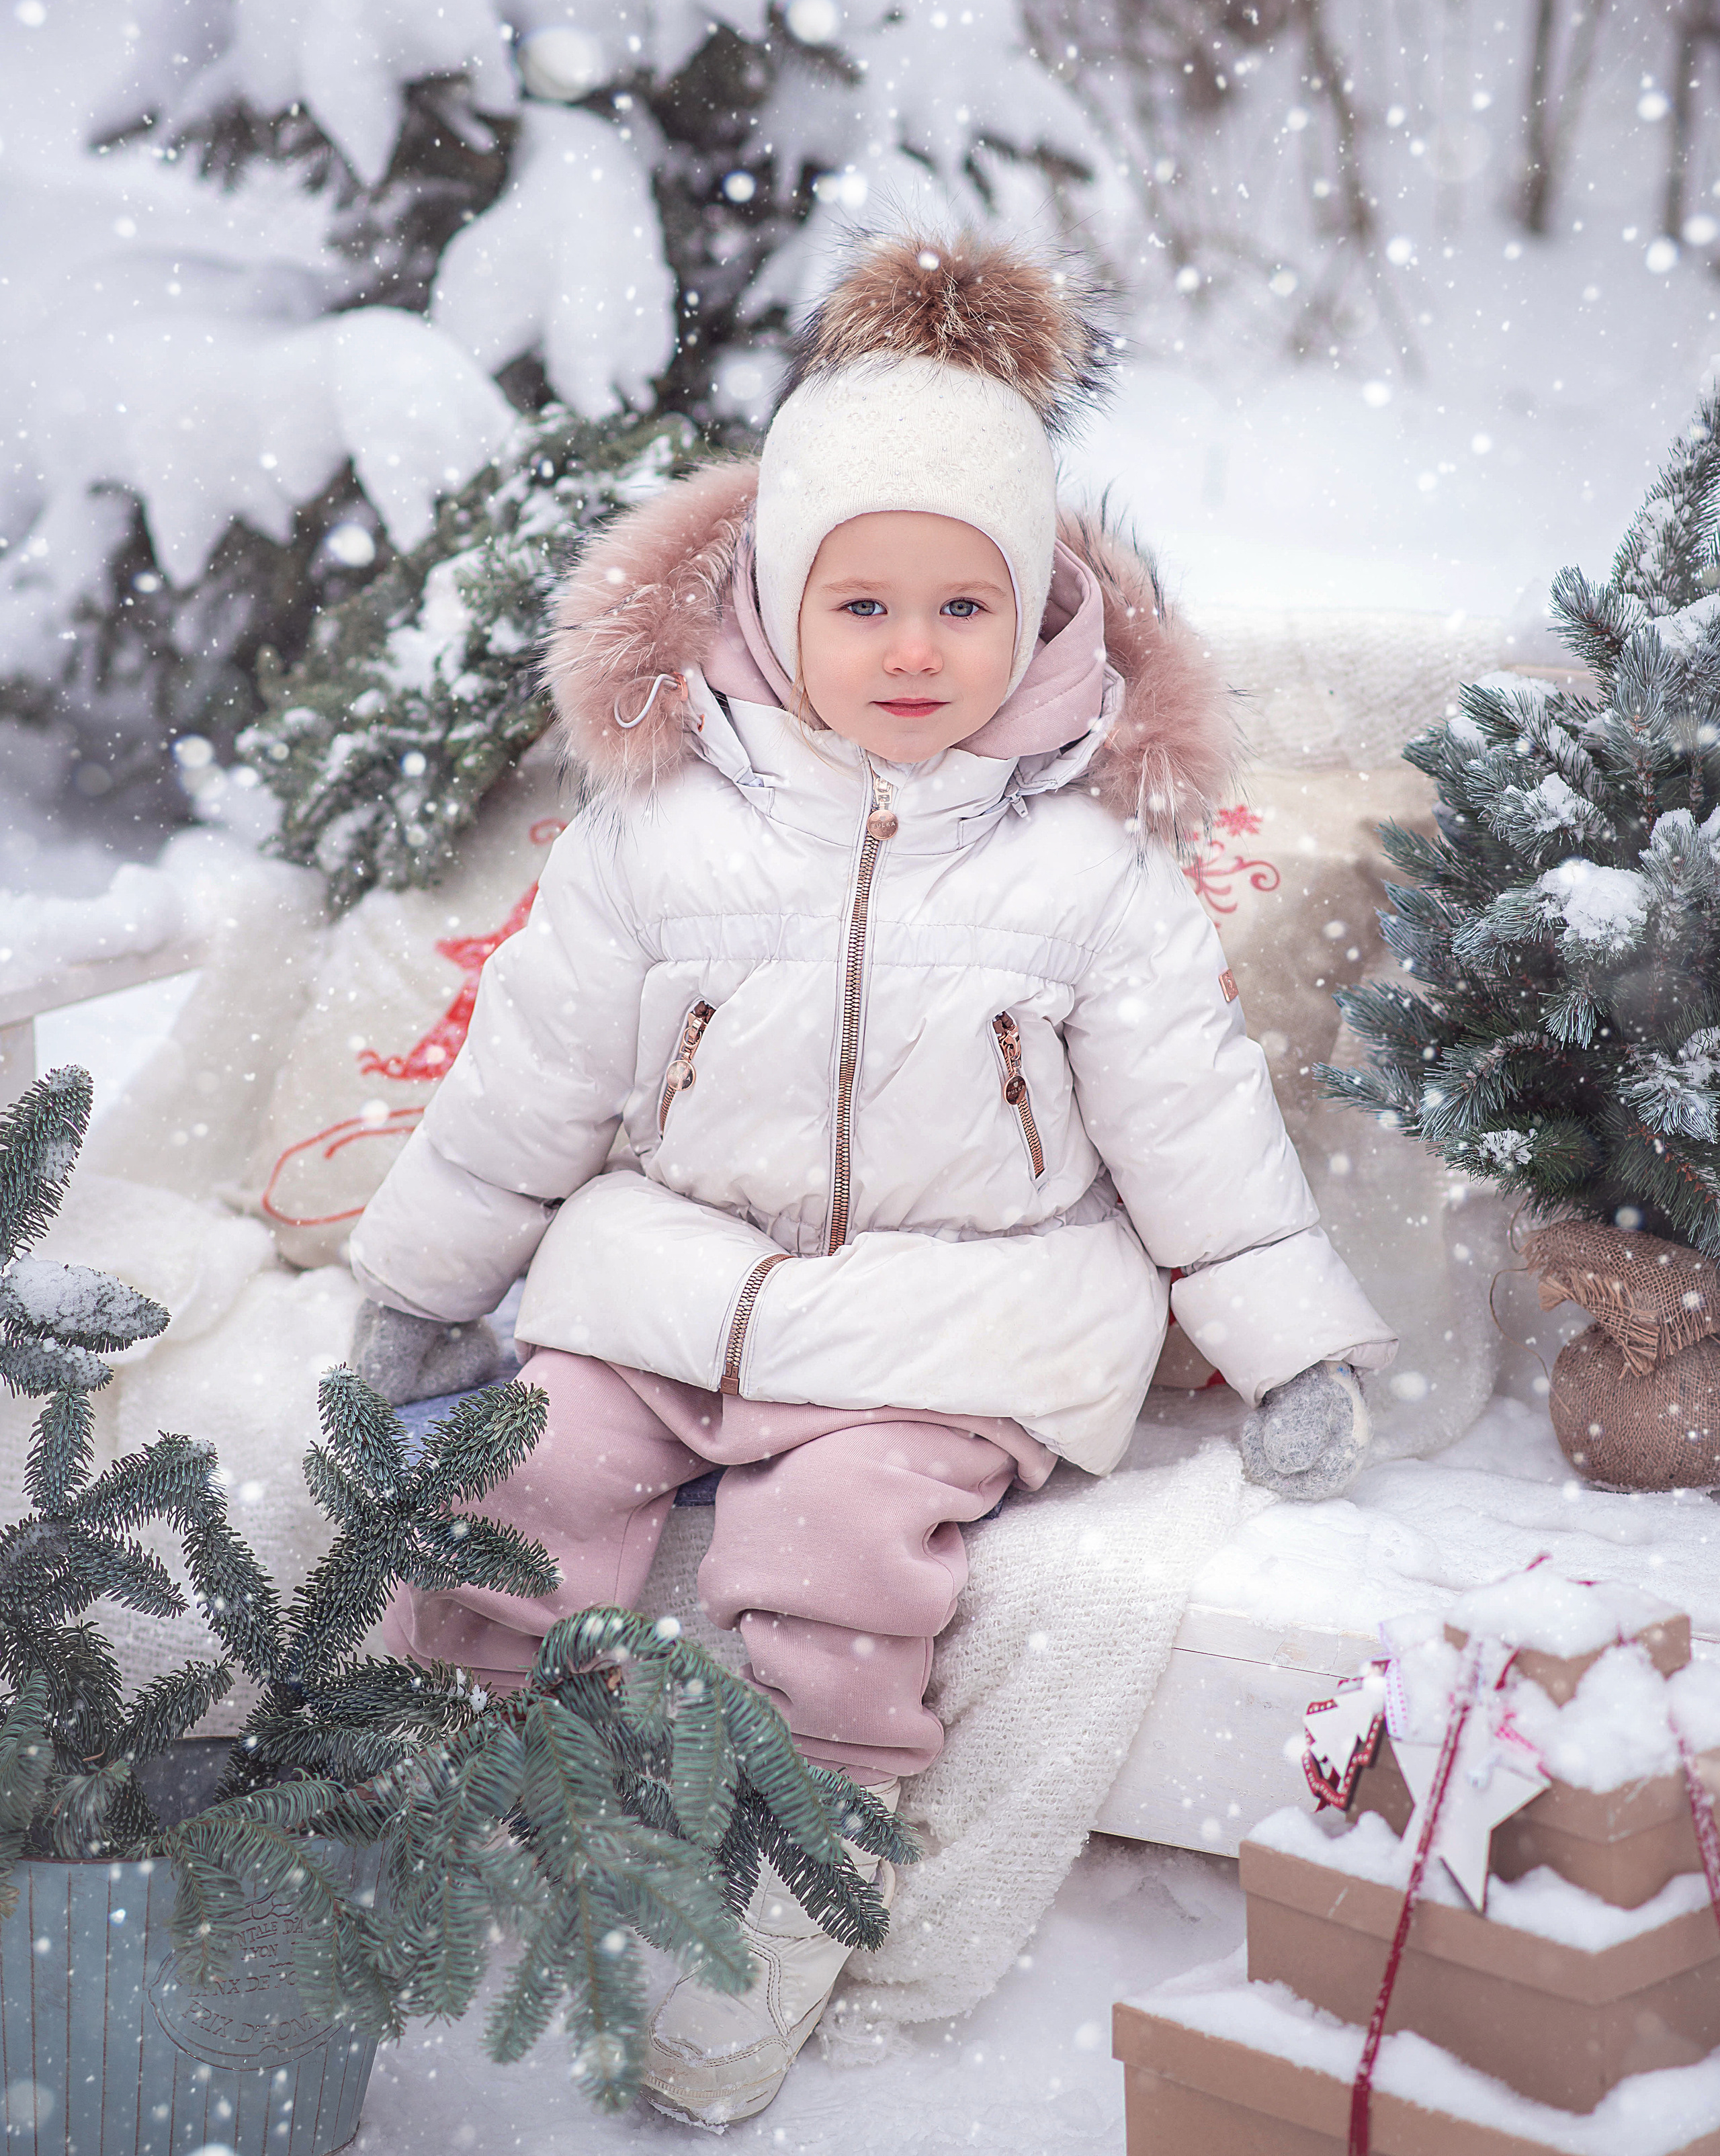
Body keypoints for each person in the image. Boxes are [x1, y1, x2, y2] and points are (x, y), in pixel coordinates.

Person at [345, 229, 1396, 2124]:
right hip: (677, 1281)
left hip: (957, 1317)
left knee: (837, 1557)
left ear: (1040, 616)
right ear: (772, 606)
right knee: (531, 1466)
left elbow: (1198, 1129)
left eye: (963, 606)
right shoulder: (658, 836)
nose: (915, 652)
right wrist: (424, 1287)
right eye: (865, 605)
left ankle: (781, 1898)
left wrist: (1288, 1346)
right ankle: (460, 1797)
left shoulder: (1087, 870)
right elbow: (529, 1085)